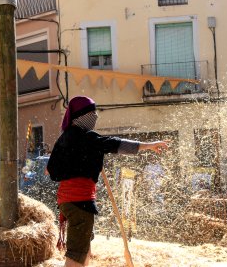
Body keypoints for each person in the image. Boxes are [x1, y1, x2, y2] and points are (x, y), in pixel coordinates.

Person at [47, 96, 168, 267]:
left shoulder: (64, 139)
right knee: (77, 253)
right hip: (80, 201)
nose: (95, 116)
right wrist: (148, 145)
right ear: (81, 116)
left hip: (66, 201)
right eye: (92, 113)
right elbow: (115, 144)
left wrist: (81, 160)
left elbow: (51, 170)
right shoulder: (87, 138)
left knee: (84, 246)